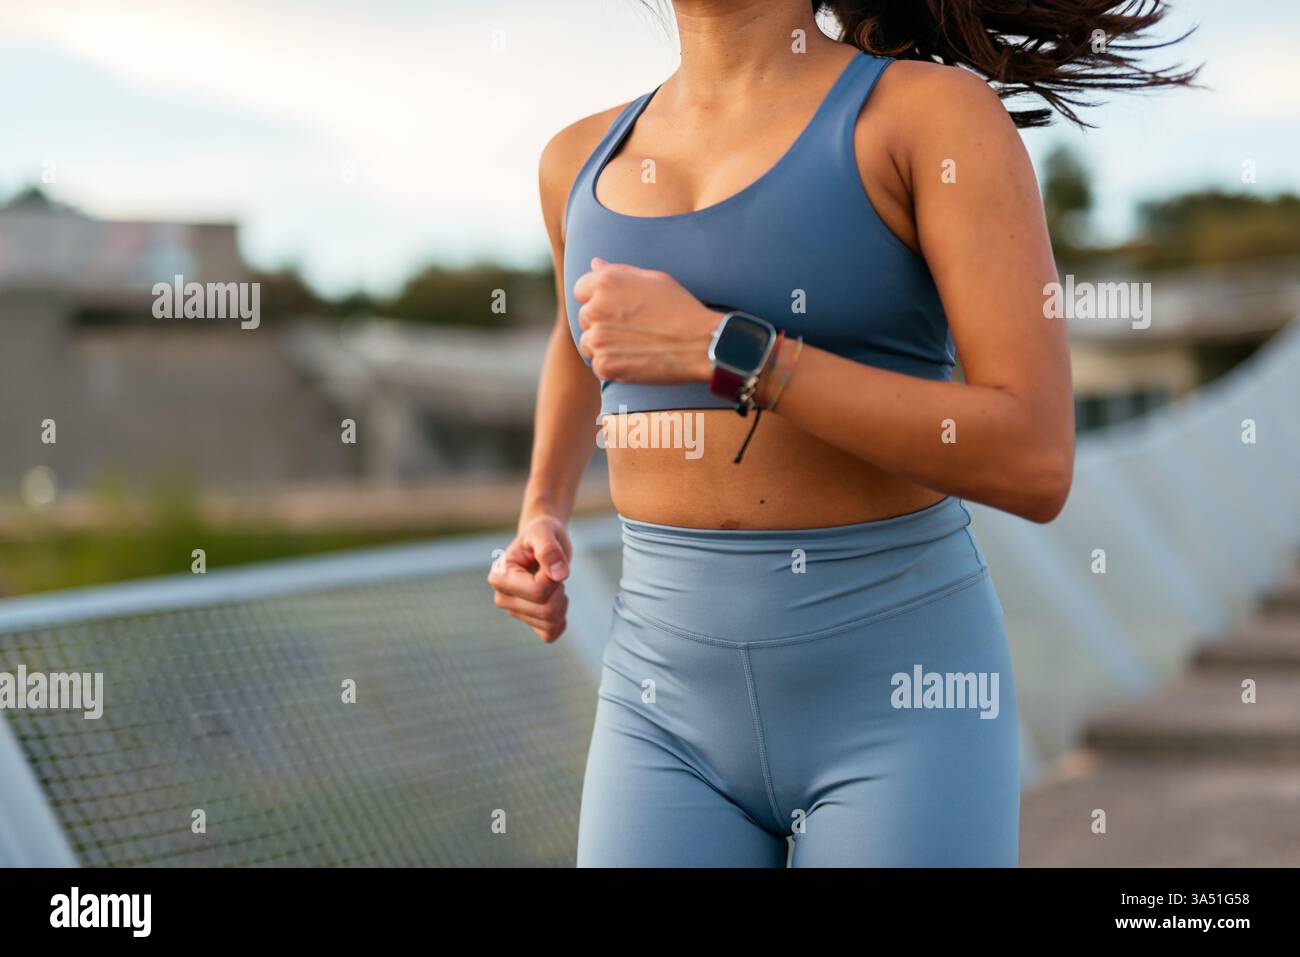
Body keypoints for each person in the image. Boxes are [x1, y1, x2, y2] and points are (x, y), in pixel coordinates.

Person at [488, 0, 1197, 866]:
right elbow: (582, 333)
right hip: (657, 705)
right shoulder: (576, 160)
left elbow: (1035, 457)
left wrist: (729, 351)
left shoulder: (927, 116)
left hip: (900, 700)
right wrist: (541, 510)